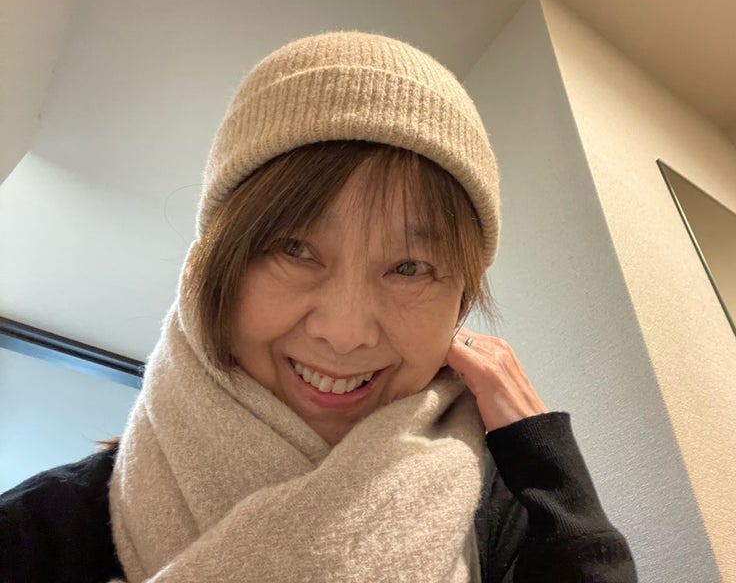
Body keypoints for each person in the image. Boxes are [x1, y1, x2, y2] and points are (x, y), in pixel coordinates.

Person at [0, 32, 637, 582]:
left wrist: (550, 468)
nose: (345, 332)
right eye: (294, 248)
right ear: (212, 269)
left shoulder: (500, 508)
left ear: (460, 305)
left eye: (409, 267)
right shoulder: (39, 530)